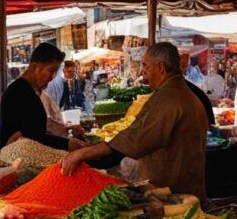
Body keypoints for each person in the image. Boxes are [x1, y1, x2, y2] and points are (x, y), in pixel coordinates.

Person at [62, 42, 208, 198]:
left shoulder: (168, 99)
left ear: (160, 68)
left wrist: (82, 154)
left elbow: (135, 139)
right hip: (188, 187)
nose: (143, 72)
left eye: (146, 66)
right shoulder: (188, 95)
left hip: (173, 193)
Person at [0, 43, 79, 151]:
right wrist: (67, 144)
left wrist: (66, 130)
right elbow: (31, 136)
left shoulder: (29, 90)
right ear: (35, 67)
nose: (53, 77)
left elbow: (35, 129)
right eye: (50, 70)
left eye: (55, 72)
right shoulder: (19, 93)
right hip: (16, 160)